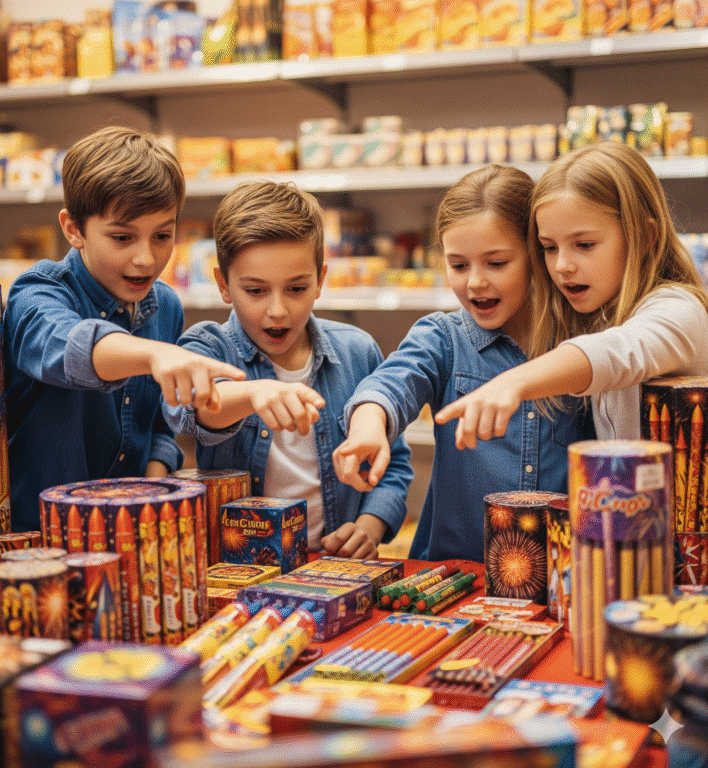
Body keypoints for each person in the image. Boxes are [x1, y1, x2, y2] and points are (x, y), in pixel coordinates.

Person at [333, 165, 592, 562]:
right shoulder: (444, 337)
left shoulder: (583, 346)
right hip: (454, 577)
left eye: (496, 263)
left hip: (562, 579)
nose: (475, 282)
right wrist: (369, 422)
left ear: (538, 255)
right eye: (458, 265)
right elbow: (394, 380)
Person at [4, 126, 245, 532]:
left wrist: (153, 482)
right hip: (37, 540)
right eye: (122, 237)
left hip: (125, 533)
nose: (145, 259)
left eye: (163, 236)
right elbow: (69, 348)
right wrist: (155, 354)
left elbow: (158, 426)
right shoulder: (38, 292)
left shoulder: (164, 305)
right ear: (73, 229)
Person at [164, 180, 413, 559]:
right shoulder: (208, 347)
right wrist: (253, 393)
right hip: (239, 568)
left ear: (321, 281)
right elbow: (191, 406)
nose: (278, 310)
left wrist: (369, 526)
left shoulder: (357, 350)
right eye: (256, 291)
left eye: (296, 289)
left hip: (333, 566)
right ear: (223, 284)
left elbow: (391, 459)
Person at [437, 141, 708, 447]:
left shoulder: (680, 309)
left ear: (644, 236)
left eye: (584, 245)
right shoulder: (599, 314)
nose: (562, 266)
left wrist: (514, 382)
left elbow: (620, 351)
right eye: (549, 248)